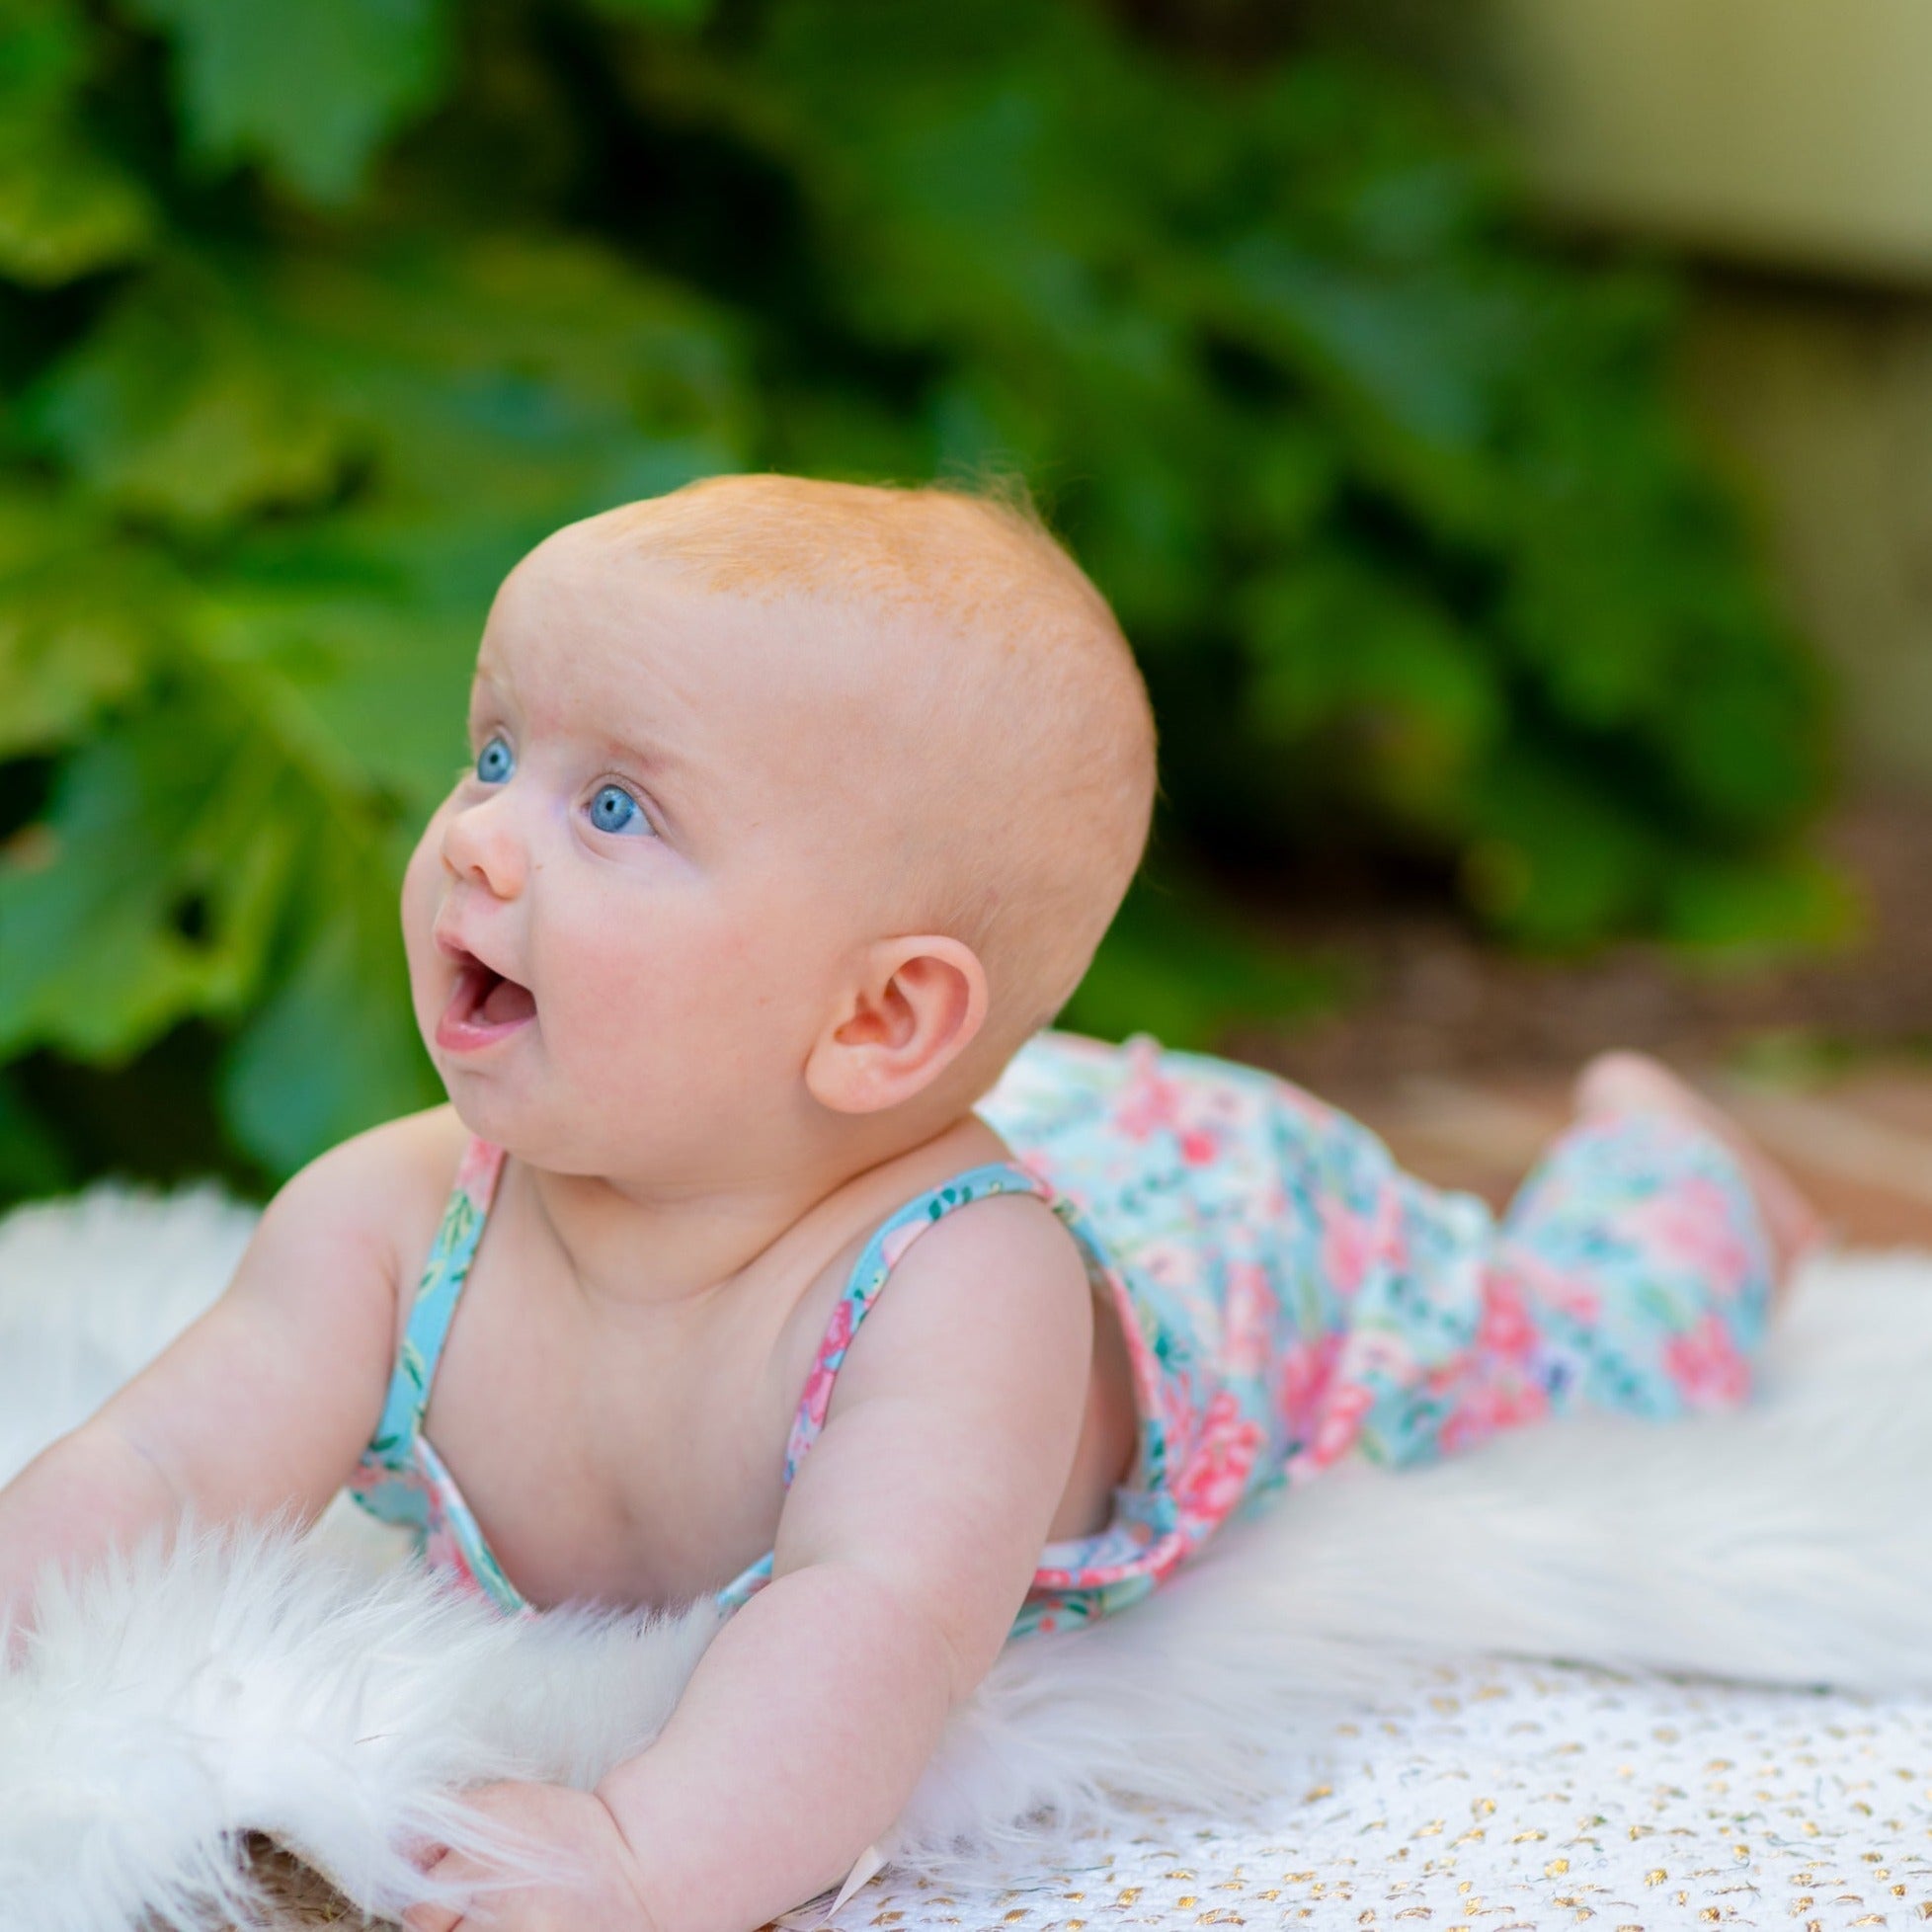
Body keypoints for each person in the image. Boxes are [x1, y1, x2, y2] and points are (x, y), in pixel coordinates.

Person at [0, 475, 1821, 1932]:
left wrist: (647, 1859)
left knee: (1591, 1347)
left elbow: (872, 1623)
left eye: (614, 809)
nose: (479, 836)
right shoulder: (398, 1215)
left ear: (879, 1017)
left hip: (1234, 1230)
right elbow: (161, 1466)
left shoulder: (959, 1295)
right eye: (495, 757)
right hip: (961, 1114)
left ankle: (1673, 1168)